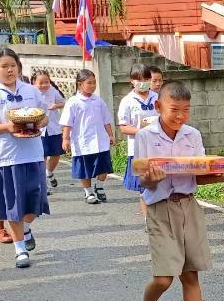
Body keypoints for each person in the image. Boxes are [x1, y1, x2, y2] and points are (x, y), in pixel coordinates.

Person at [132, 80, 224, 301]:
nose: (180, 116)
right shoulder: (146, 136)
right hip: (160, 208)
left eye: (186, 110)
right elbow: (141, 177)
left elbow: (198, 174)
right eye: (174, 110)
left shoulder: (192, 135)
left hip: (189, 206)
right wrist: (149, 178)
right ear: (158, 107)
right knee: (164, 279)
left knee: (191, 275)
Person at [0, 48, 49, 268]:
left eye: (13, 65)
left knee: (34, 201)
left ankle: (25, 227)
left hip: (32, 152)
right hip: (5, 156)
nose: (9, 70)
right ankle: (20, 249)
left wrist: (37, 123)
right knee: (13, 203)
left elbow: (44, 116)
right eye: (4, 66)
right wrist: (7, 126)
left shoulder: (31, 90)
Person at [59, 68, 114, 204]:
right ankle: (88, 192)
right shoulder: (73, 102)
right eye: (89, 83)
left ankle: (99, 186)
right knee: (85, 169)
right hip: (82, 141)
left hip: (100, 140)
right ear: (80, 84)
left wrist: (111, 135)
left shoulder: (99, 101)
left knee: (104, 167)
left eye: (94, 83)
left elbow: (106, 120)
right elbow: (67, 123)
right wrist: (65, 139)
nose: (93, 86)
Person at [118, 65, 160, 208]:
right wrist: (141, 131)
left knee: (160, 184)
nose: (143, 82)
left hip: (158, 146)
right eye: (139, 79)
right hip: (138, 149)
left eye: (146, 79)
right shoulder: (127, 101)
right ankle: (148, 221)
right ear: (132, 81)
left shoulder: (157, 97)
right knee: (144, 189)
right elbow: (123, 127)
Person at [32, 69, 67, 189]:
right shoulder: (31, 93)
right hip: (39, 131)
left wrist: (56, 105)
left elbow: (64, 103)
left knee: (56, 155)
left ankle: (49, 172)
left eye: (46, 82)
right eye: (40, 83)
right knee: (42, 157)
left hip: (54, 128)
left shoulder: (53, 91)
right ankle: (43, 184)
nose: (44, 85)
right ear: (34, 83)